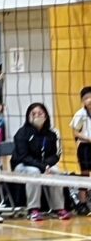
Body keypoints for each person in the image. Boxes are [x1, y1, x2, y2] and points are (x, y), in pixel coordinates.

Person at [11, 102, 69, 221]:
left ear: (46, 116)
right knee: (34, 172)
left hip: (42, 165)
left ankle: (58, 208)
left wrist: (47, 165)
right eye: (33, 114)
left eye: (40, 113)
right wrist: (43, 167)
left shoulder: (51, 134)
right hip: (22, 166)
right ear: (28, 116)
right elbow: (23, 157)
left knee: (56, 171)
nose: (37, 116)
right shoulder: (22, 133)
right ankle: (33, 209)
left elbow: (55, 155)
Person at [69, 86, 91, 216]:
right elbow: (75, 133)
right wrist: (88, 138)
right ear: (83, 101)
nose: (89, 100)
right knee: (85, 174)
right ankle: (82, 203)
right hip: (85, 147)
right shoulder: (81, 114)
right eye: (86, 98)